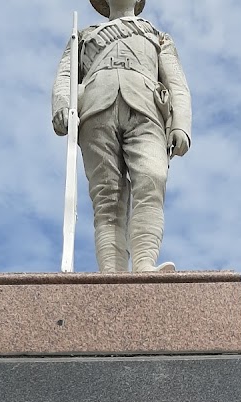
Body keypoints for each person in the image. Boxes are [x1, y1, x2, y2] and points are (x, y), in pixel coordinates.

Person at [52, 0, 192, 273]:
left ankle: (144, 266)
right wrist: (60, 104)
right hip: (95, 108)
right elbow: (66, 74)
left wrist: (181, 124)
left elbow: (176, 82)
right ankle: (111, 274)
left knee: (152, 178)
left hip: (147, 108)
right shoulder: (82, 37)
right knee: (108, 198)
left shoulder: (157, 36)